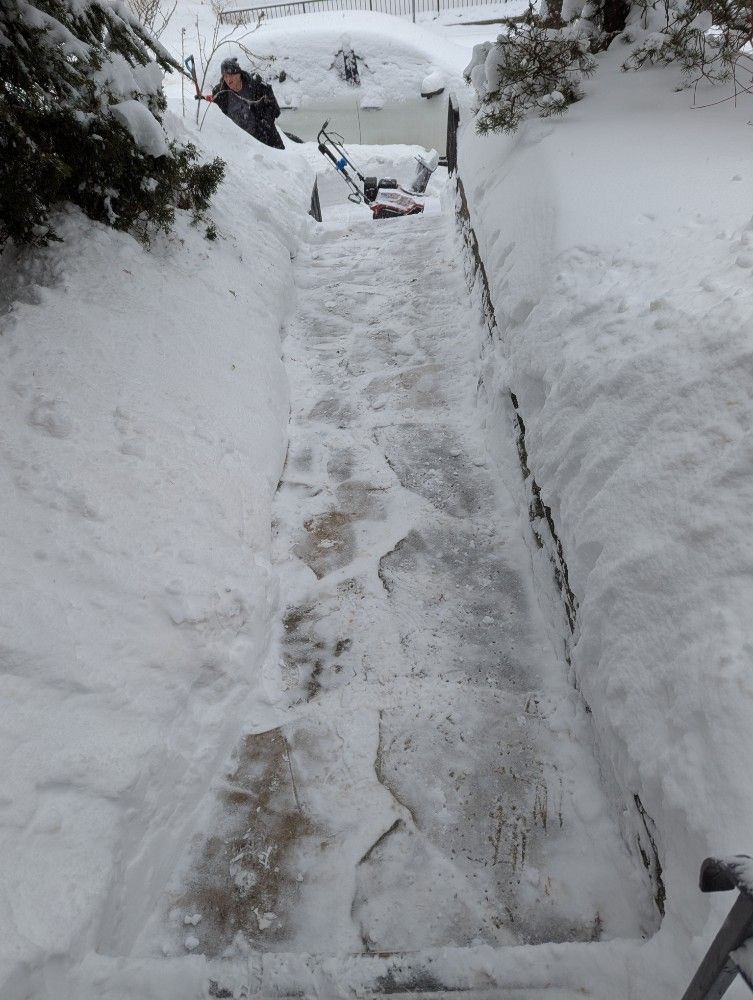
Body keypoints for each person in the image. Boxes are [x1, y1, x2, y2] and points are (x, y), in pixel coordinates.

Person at [201, 57, 284, 150]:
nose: (228, 80)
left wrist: (263, 123)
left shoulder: (257, 86)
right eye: (225, 76)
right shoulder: (220, 92)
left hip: (268, 140)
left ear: (239, 74)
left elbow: (275, 110)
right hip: (240, 144)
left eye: (231, 75)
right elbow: (214, 114)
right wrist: (203, 101)